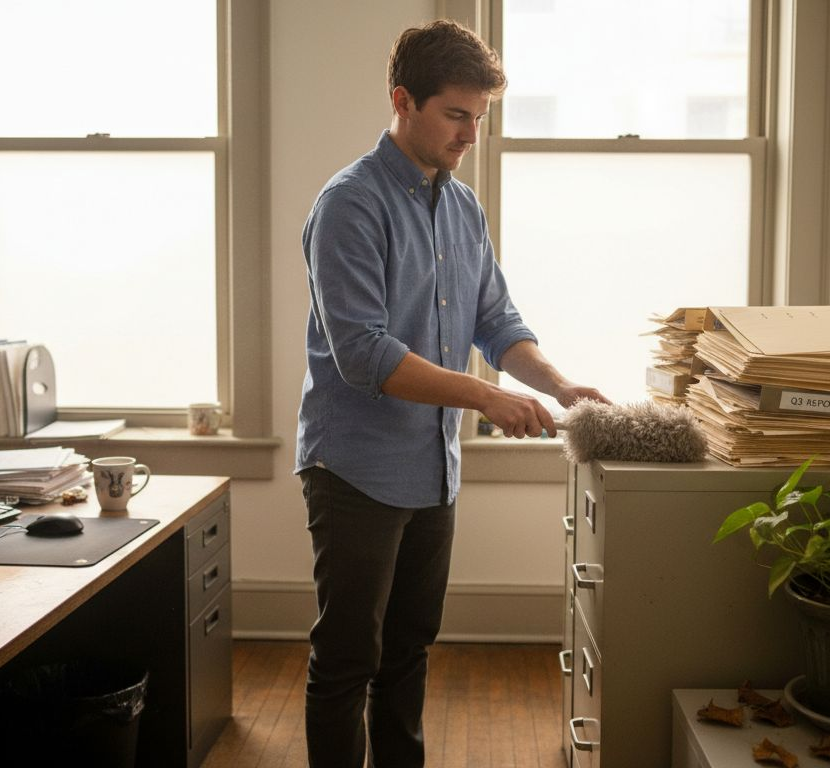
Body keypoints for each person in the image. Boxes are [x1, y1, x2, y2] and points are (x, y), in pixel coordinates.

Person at [295, 19, 609, 768]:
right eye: (456, 115)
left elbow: (496, 322)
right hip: (355, 470)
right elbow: (364, 353)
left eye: (480, 118)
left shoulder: (462, 207)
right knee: (348, 659)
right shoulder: (349, 204)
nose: (470, 134)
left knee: (408, 651)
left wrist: (560, 386)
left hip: (431, 470)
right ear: (402, 100)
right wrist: (485, 398)